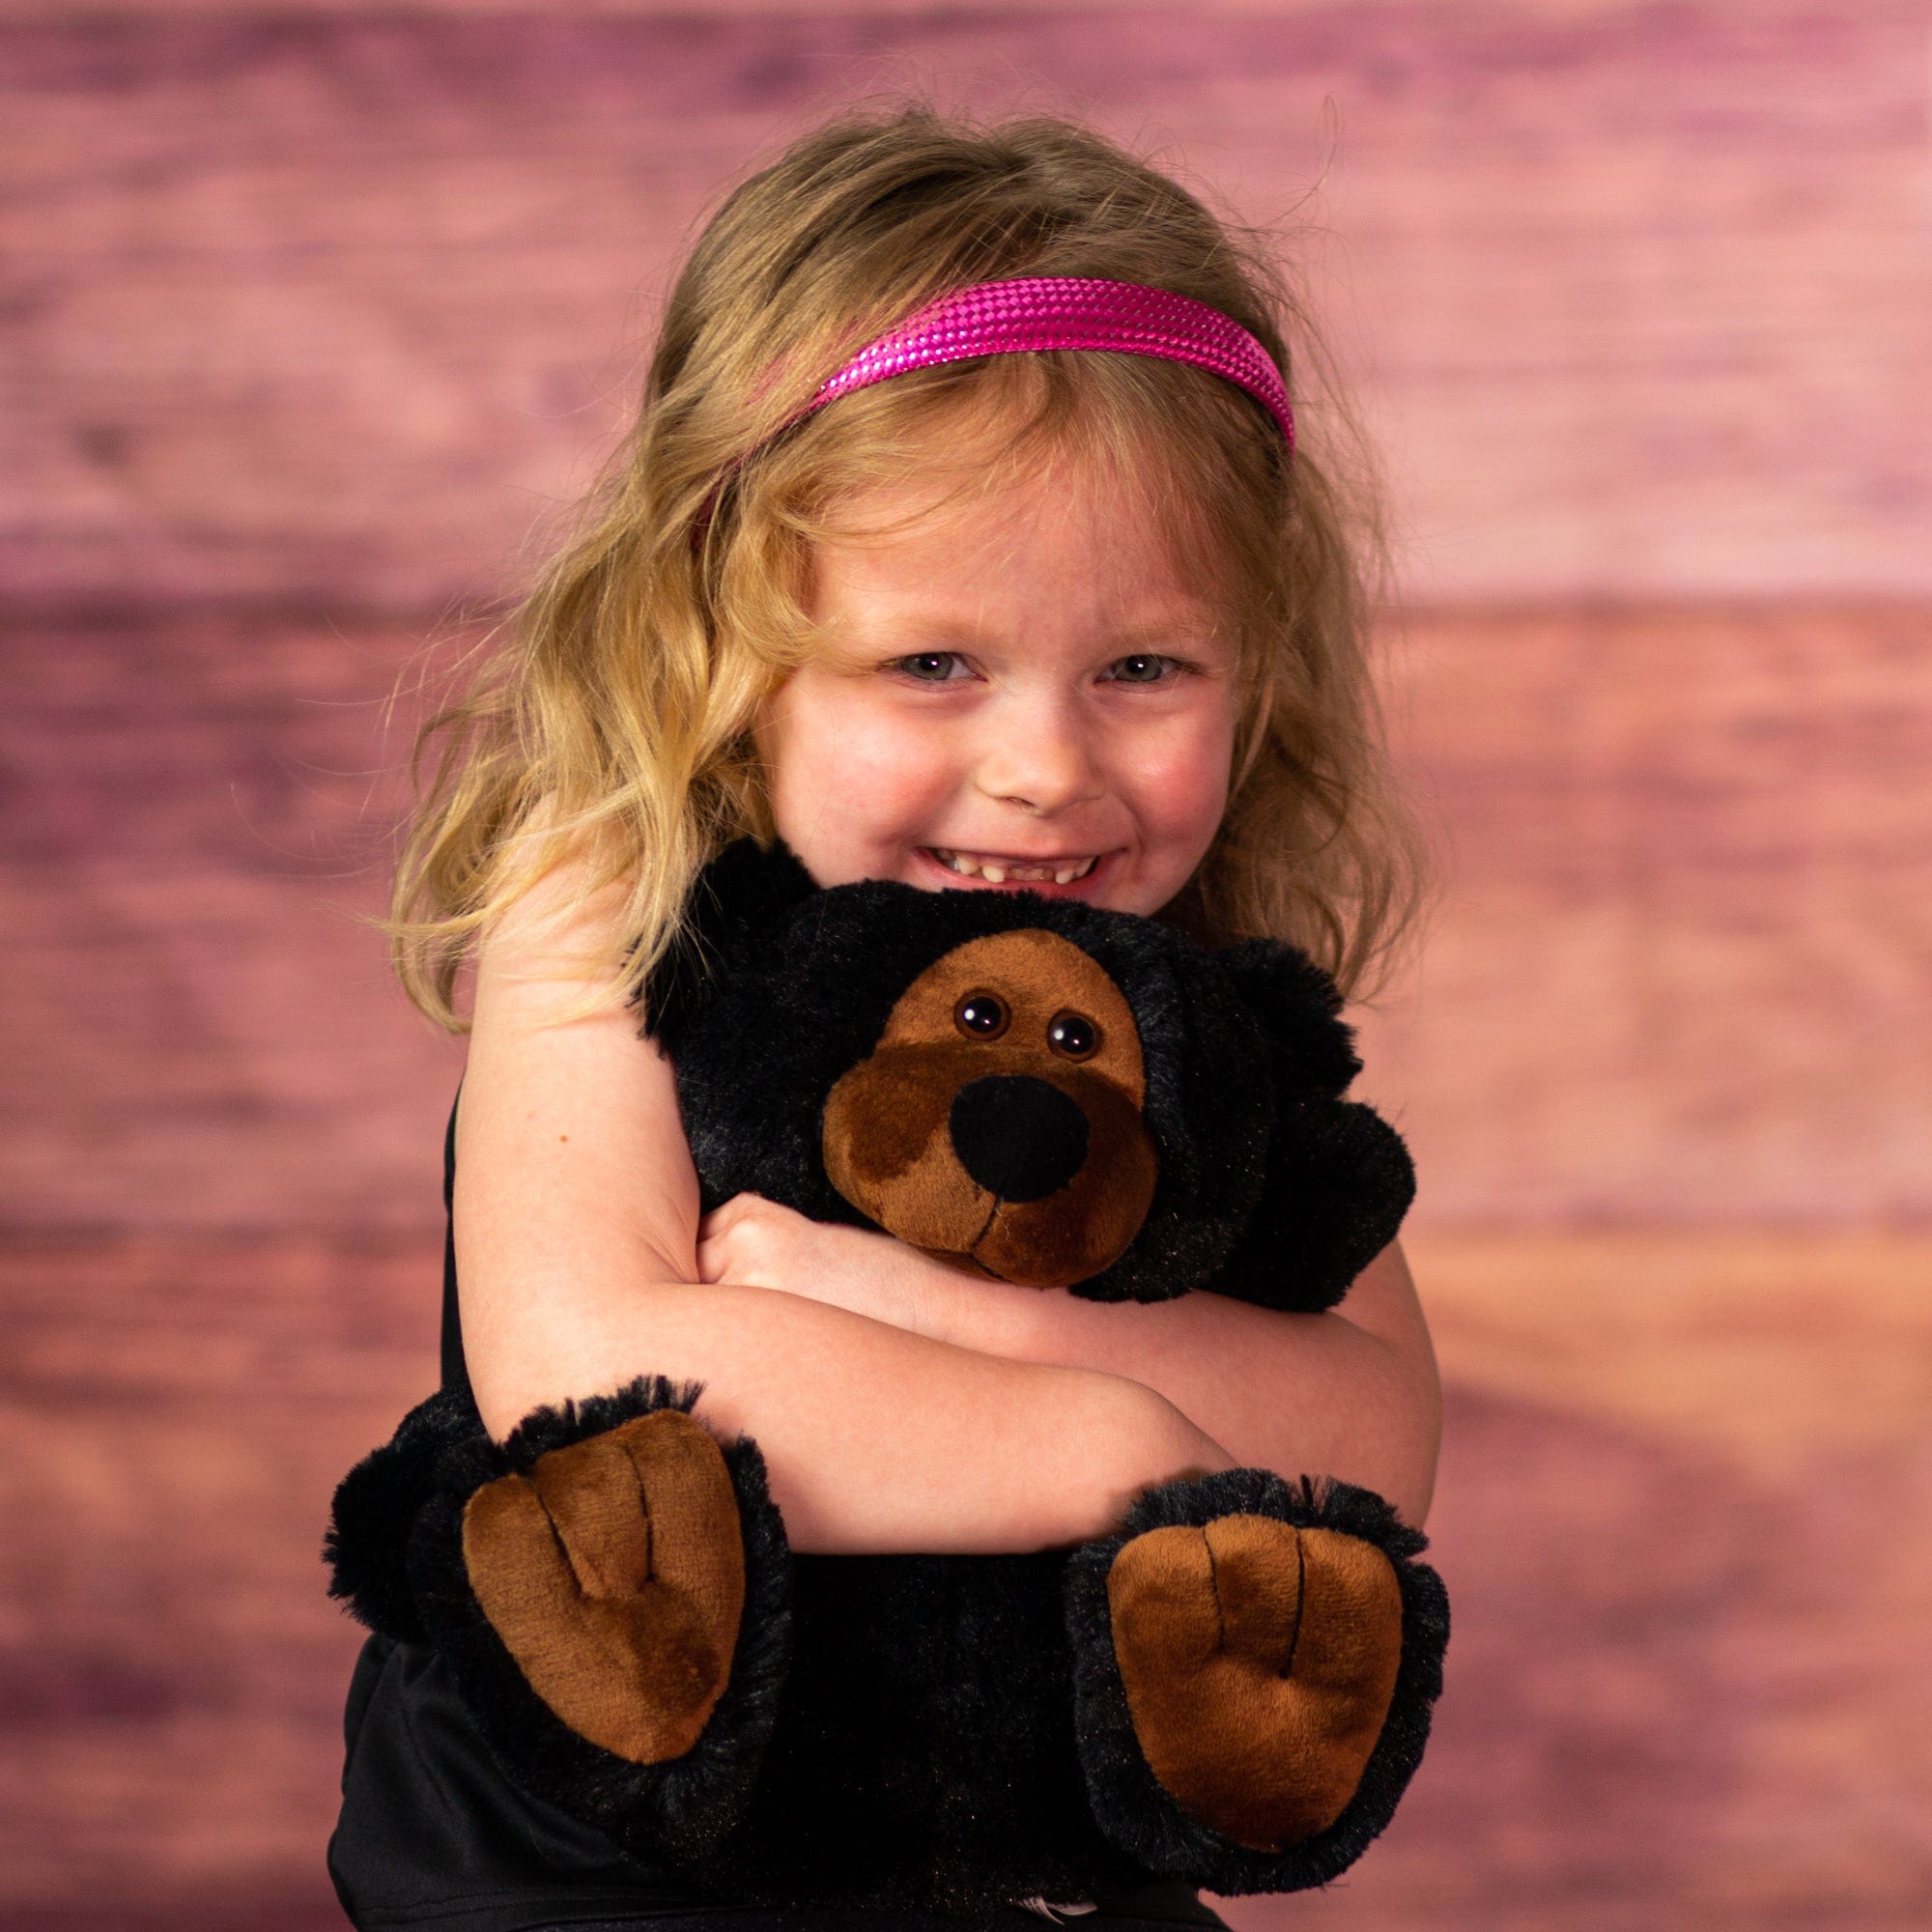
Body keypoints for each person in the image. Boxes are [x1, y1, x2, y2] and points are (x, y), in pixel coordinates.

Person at [327, 98, 1444, 1932]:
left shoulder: (1192, 995)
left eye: (1145, 668)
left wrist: (903, 1313)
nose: (1042, 768)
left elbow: (1372, 1433)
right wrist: (1118, 1450)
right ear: (715, 628)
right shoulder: (613, 896)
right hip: (605, 1857)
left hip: (1028, 1848)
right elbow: (595, 1375)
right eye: (933, 664)